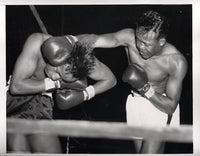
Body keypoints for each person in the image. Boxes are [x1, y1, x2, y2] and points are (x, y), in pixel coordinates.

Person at [69, 10, 188, 153]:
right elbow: (96, 39)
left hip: (160, 106)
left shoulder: (176, 61)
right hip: (135, 102)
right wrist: (69, 41)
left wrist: (144, 87)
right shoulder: (129, 37)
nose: (140, 46)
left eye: (146, 43)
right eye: (138, 40)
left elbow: (170, 106)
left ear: (161, 42)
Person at [7, 33, 117, 153]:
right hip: (13, 101)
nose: (54, 77)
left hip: (42, 101)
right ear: (59, 55)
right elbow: (16, 87)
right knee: (20, 150)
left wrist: (85, 94)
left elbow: (110, 80)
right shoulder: (37, 42)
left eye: (61, 78)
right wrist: (58, 84)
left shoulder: (85, 62)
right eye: (57, 71)